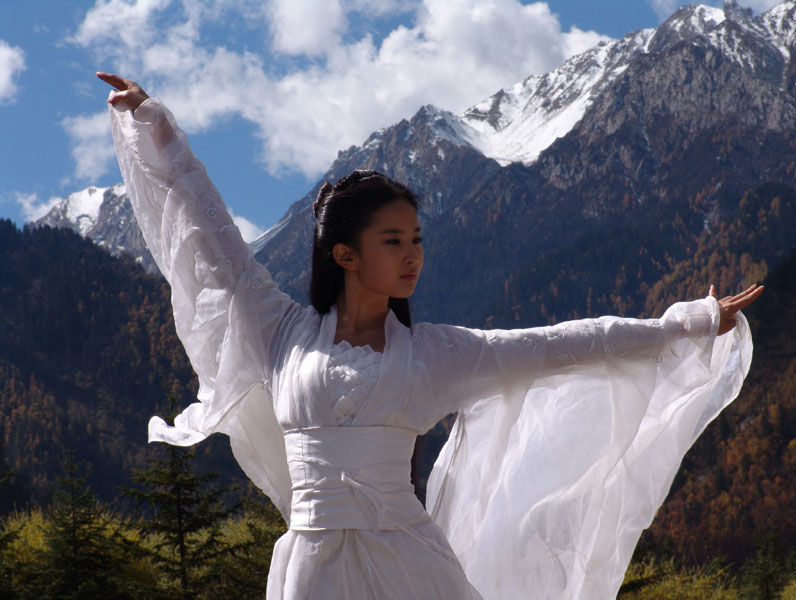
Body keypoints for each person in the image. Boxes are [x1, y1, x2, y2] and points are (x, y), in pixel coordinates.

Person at [98, 72, 762, 600]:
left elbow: (566, 343)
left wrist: (689, 323)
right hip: (310, 567)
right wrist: (159, 130)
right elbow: (213, 239)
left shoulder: (437, 354)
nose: (413, 255)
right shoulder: (282, 331)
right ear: (345, 254)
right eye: (393, 240)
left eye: (417, 239)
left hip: (412, 565)